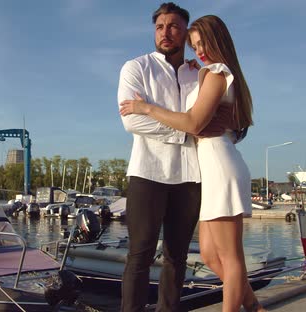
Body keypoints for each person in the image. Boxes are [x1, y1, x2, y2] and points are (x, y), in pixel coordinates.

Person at [119, 15, 265, 312]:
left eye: (202, 43)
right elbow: (132, 122)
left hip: (207, 170)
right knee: (206, 255)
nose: (199, 50)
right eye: (195, 45)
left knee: (211, 256)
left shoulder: (212, 72)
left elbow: (202, 122)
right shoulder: (142, 68)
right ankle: (255, 307)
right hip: (171, 171)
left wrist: (148, 107)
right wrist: (190, 130)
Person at [117, 3, 225, 311]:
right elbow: (131, 120)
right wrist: (186, 130)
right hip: (147, 172)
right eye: (160, 27)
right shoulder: (136, 68)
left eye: (174, 26)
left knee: (177, 257)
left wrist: (187, 123)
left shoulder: (198, 73)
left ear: (186, 34)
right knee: (139, 254)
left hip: (190, 175)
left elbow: (211, 116)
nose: (166, 32)